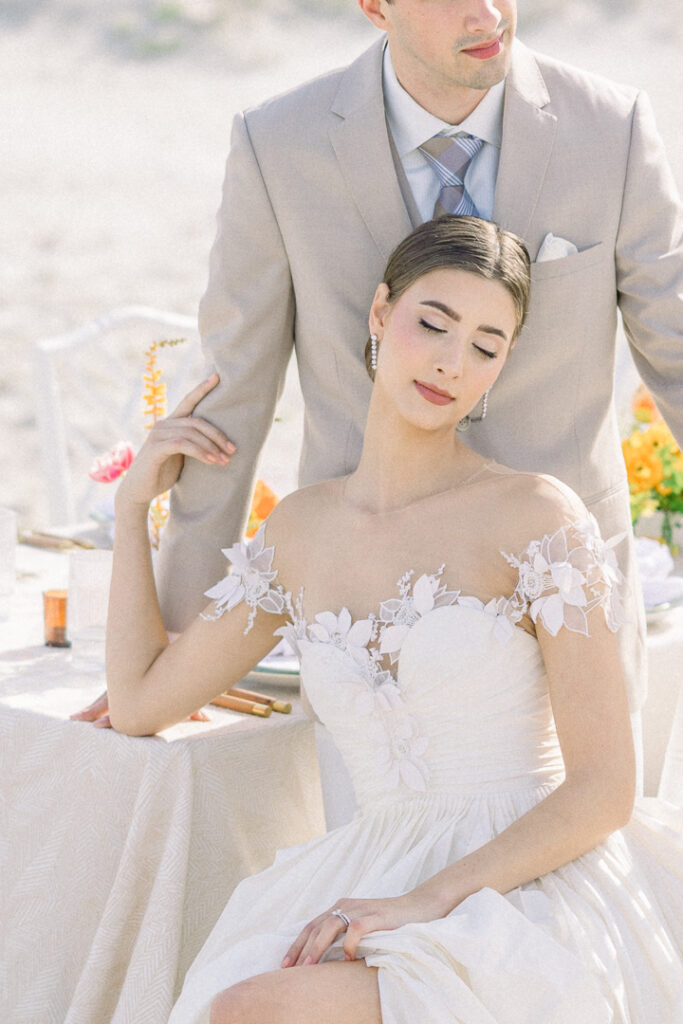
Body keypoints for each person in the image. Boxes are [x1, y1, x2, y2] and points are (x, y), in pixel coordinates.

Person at [107, 218, 683, 1024]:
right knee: (236, 998)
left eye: (486, 346)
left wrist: (425, 901)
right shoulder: (300, 533)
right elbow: (138, 704)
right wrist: (133, 507)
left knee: (250, 1008)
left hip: (526, 889)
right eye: (433, 324)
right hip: (367, 873)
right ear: (381, 313)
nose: (452, 361)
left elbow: (603, 788)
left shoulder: (533, 516)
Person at [152, 0, 683, 729]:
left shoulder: (610, 129)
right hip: (363, 612)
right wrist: (183, 638)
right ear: (375, 6)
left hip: (563, 601)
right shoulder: (277, 145)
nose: (489, 12)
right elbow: (232, 391)